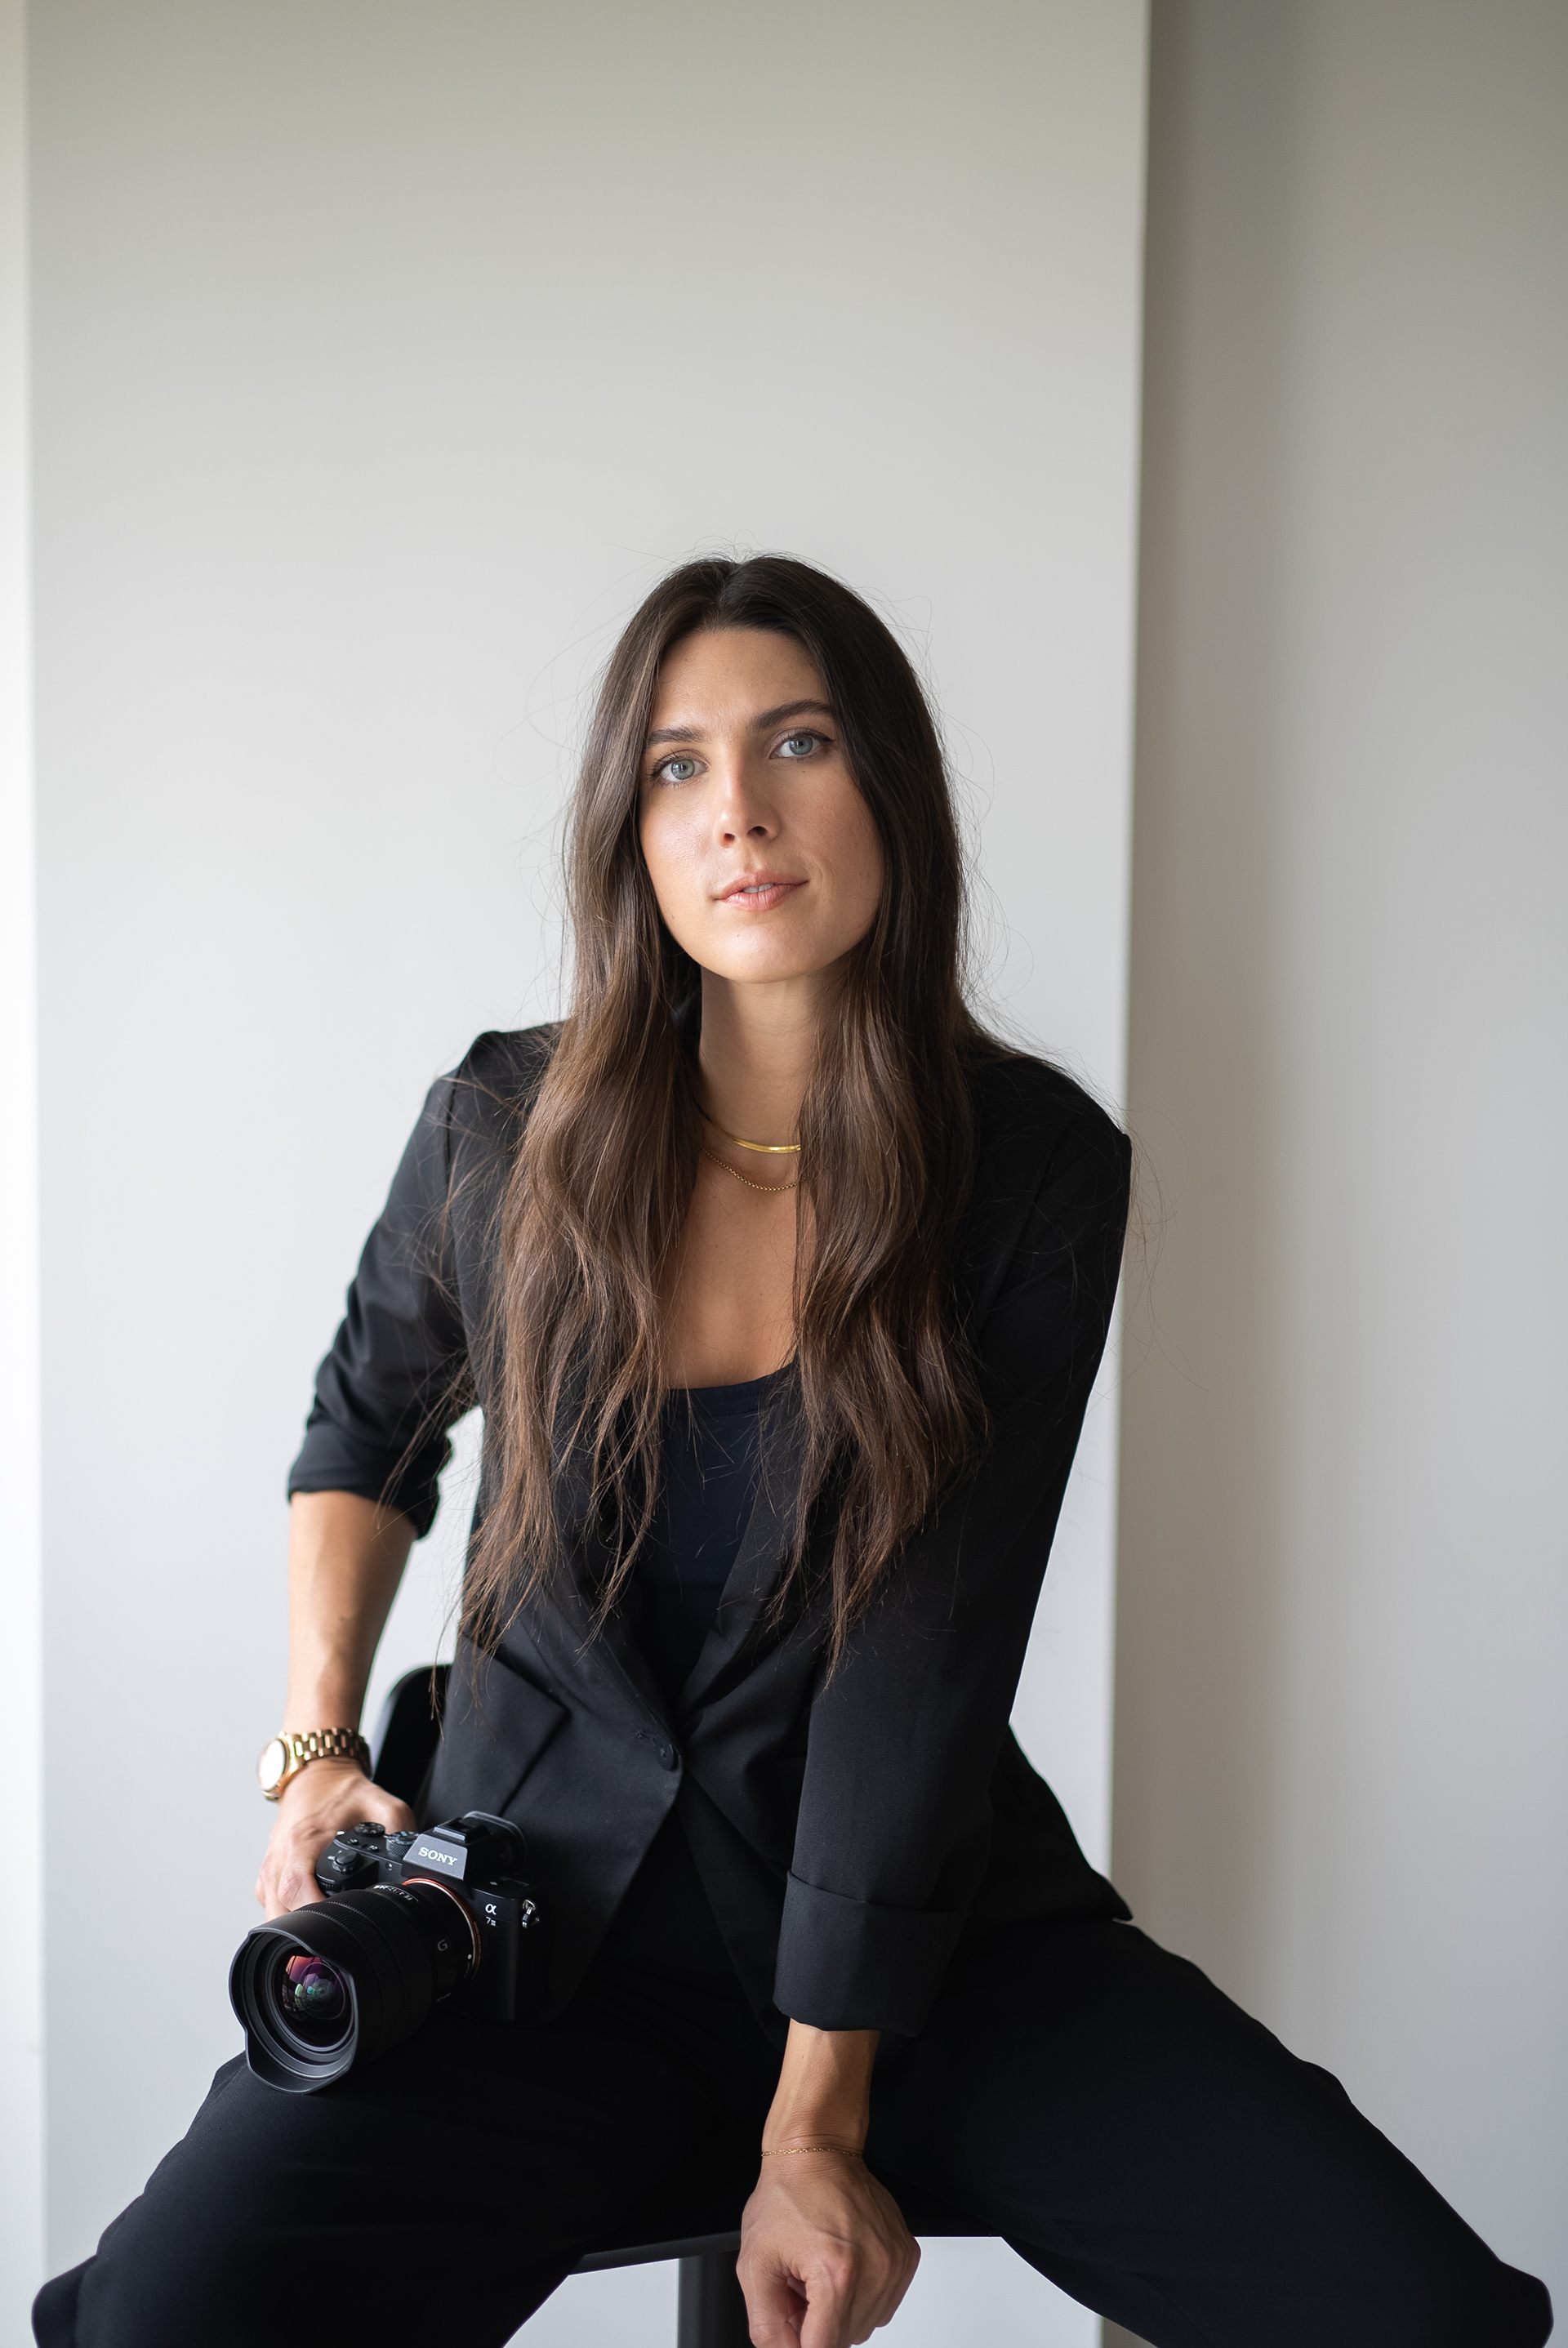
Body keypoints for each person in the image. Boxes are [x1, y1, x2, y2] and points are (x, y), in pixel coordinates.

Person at [35, 558, 1551, 2348]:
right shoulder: (502, 1128)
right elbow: (362, 1432)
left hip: (922, 1951)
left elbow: (921, 1662)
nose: (737, 811)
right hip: (540, 1936)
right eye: (676, 765)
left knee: (1419, 2314)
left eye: (798, 743)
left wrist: (813, 2127)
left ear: (888, 785)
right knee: (152, 2321)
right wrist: (315, 1751)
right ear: (630, 831)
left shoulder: (1029, 1174)